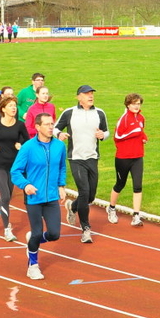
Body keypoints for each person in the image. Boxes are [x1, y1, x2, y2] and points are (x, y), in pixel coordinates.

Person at [11, 113, 67, 280]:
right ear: (37, 127)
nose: (51, 127)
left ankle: (32, 241)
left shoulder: (59, 146)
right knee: (36, 233)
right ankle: (33, 265)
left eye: (52, 124)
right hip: (34, 198)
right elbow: (15, 172)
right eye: (47, 124)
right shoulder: (28, 147)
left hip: (51, 198)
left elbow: (62, 167)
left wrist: (61, 186)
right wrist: (26, 185)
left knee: (54, 234)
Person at [54, 84, 109, 243]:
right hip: (76, 158)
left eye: (92, 94)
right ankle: (86, 229)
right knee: (84, 191)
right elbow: (56, 127)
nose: (90, 96)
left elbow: (106, 132)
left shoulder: (100, 113)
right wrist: (60, 134)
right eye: (86, 94)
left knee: (90, 196)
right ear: (79, 97)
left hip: (92, 158)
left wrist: (102, 135)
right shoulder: (70, 112)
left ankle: (73, 207)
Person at [0, 95, 29, 241]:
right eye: (10, 106)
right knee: (4, 196)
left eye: (14, 106)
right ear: (3, 109)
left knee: (8, 197)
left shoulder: (20, 125)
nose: (14, 108)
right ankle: (7, 229)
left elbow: (28, 142)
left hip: (14, 166)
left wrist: (21, 146)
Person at [106, 93, 147, 227]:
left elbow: (141, 131)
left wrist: (143, 137)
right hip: (123, 158)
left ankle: (136, 215)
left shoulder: (141, 118)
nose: (136, 106)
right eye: (134, 103)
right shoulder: (123, 119)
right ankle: (111, 208)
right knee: (120, 184)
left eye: (138, 103)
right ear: (128, 104)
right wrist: (135, 132)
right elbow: (117, 136)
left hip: (137, 157)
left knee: (138, 186)